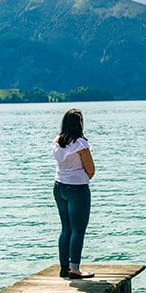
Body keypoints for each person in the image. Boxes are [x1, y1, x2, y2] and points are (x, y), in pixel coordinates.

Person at [52, 108, 95, 279]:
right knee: (78, 230)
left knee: (66, 229)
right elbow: (91, 169)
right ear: (79, 123)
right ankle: (75, 269)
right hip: (77, 188)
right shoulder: (80, 144)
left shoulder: (57, 141)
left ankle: (64, 268)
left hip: (59, 186)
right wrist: (85, 177)